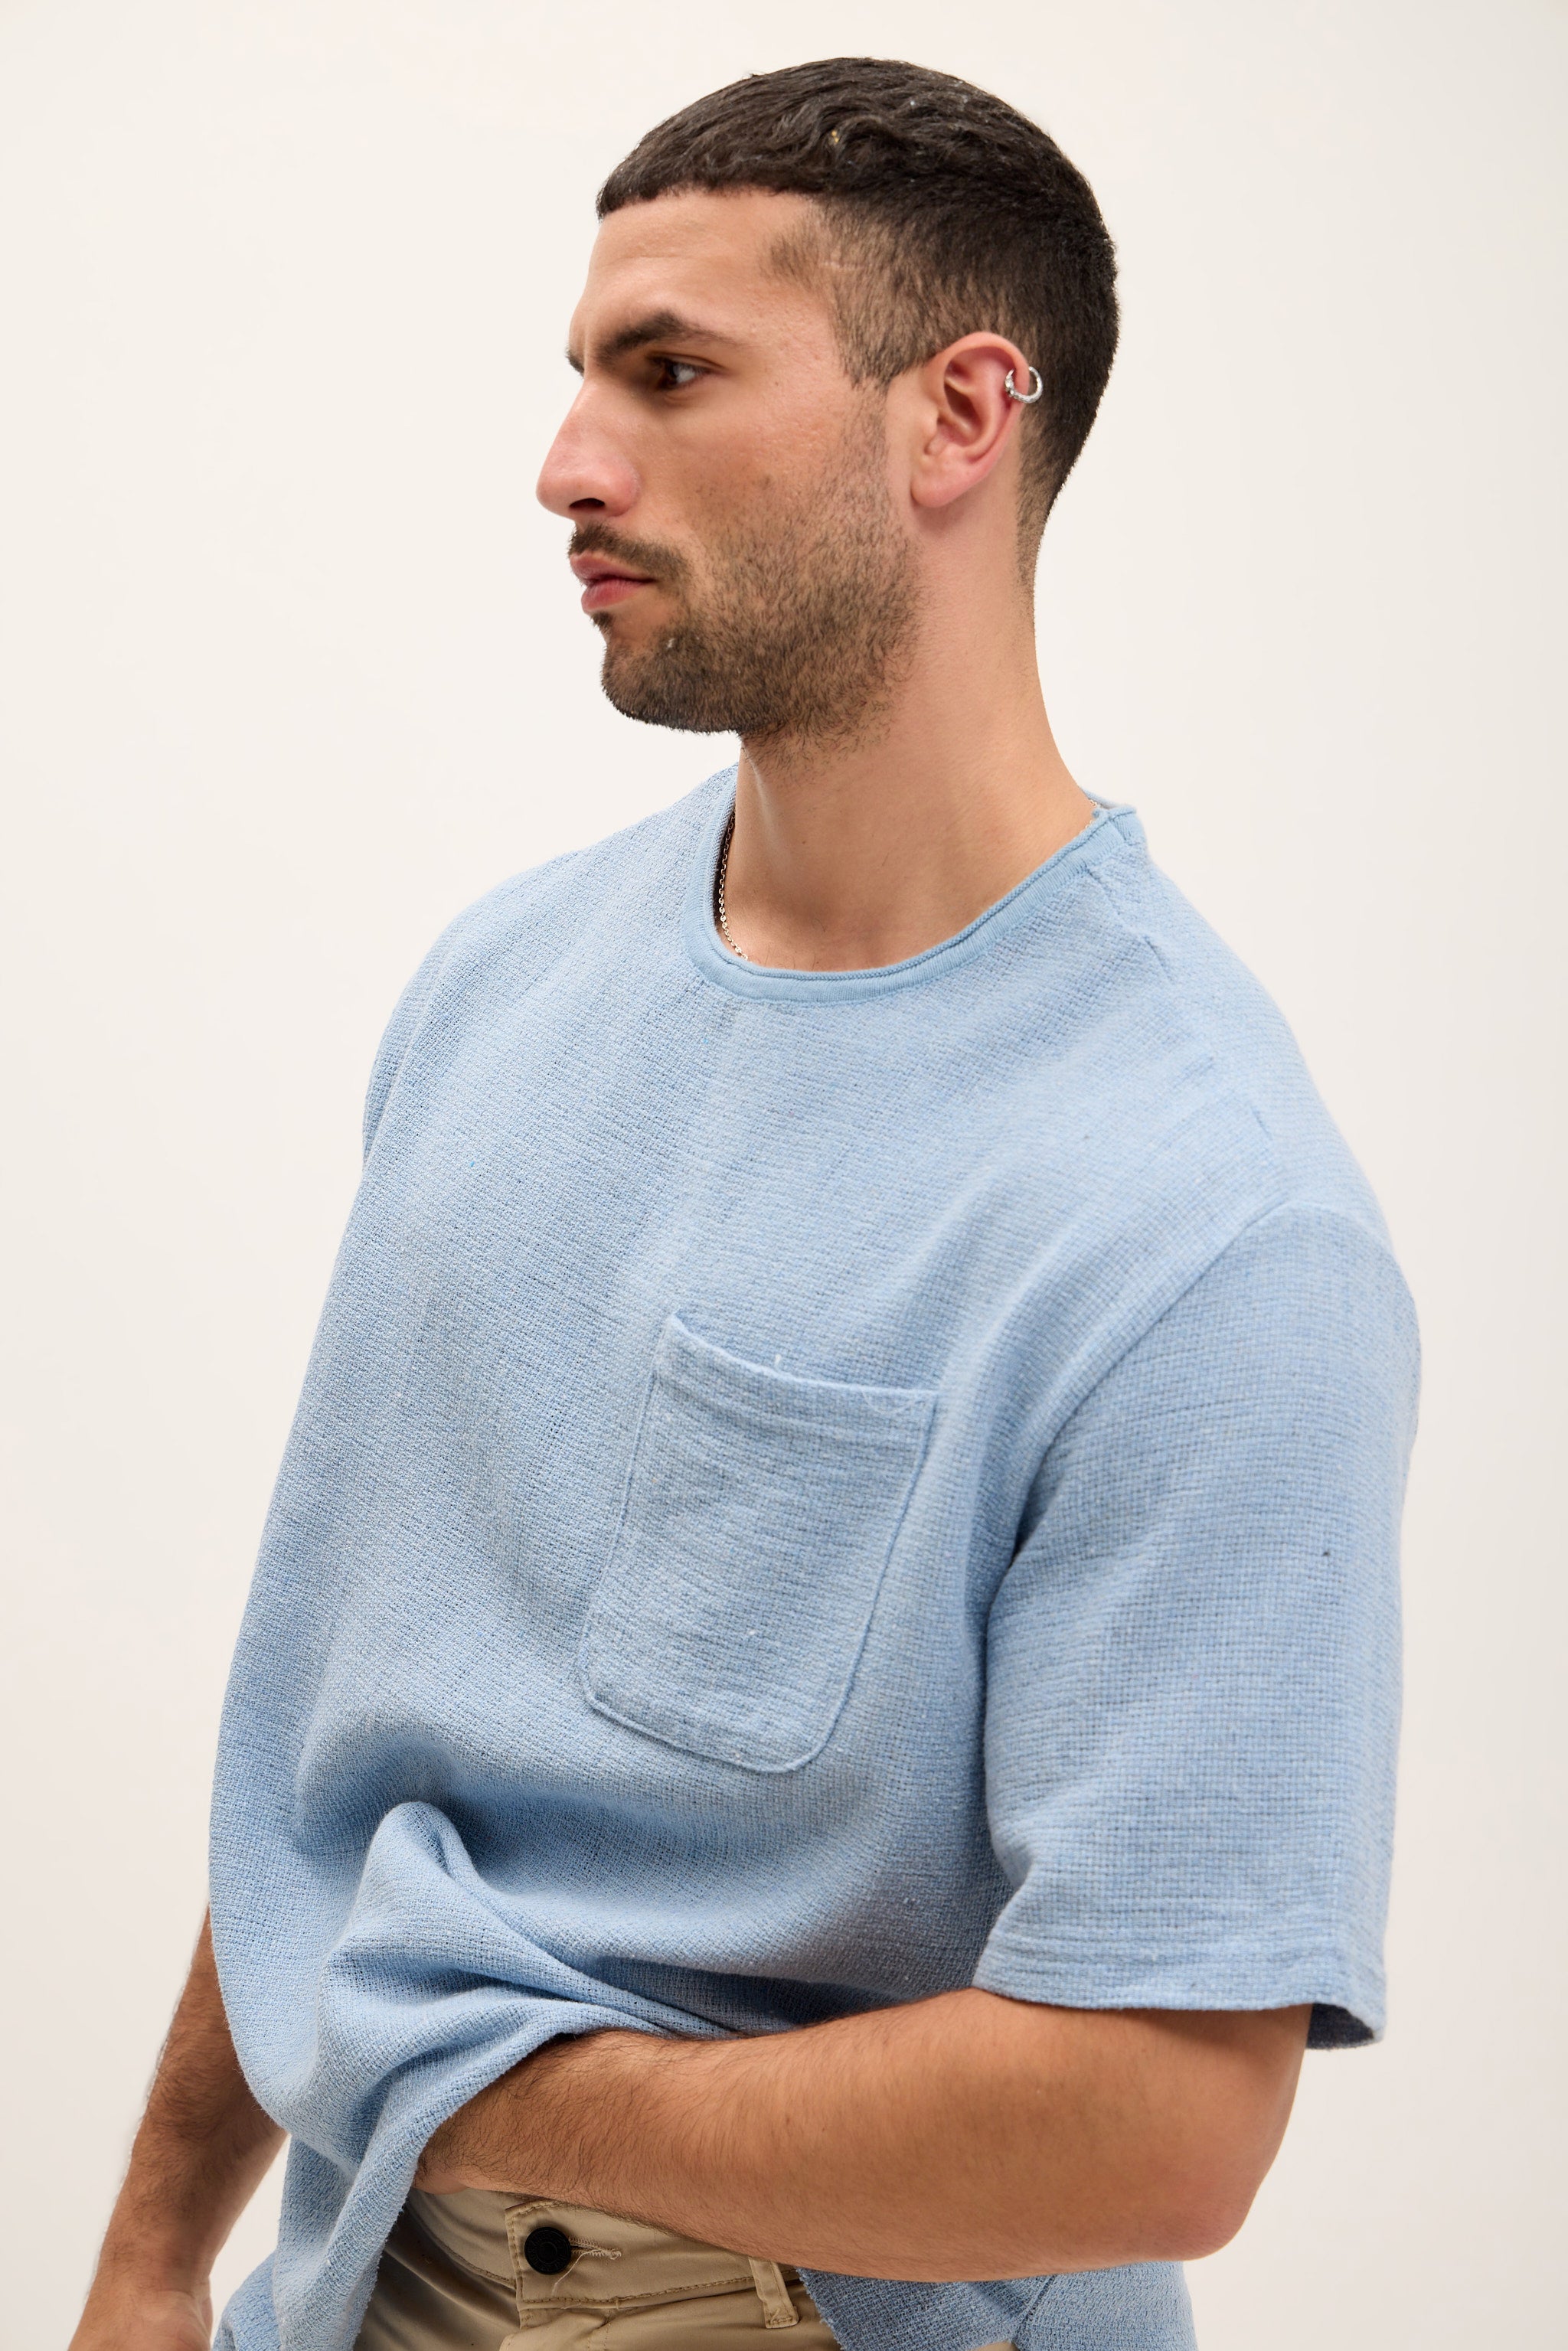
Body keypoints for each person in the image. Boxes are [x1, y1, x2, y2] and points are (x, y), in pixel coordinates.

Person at [69, 55, 1418, 2351]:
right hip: (348, 2291)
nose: (569, 464)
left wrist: (472, 2085)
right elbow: (334, 1739)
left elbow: (1165, 2125)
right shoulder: (501, 988)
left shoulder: (1210, 1219)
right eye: (584, 375)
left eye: (671, 375)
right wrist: (148, 2255)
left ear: (958, 416)